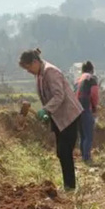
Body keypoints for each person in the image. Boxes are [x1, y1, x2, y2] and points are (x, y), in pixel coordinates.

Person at [19, 48, 83, 191]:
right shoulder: (40, 74)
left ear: (35, 62)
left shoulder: (50, 72)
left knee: (64, 151)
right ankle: (68, 185)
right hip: (57, 117)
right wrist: (47, 113)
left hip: (68, 116)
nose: (28, 71)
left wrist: (46, 109)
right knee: (61, 152)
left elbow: (59, 95)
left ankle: (70, 187)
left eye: (28, 67)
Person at [74, 61, 99, 165]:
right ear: (92, 69)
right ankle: (87, 158)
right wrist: (94, 106)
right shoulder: (91, 79)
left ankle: (82, 156)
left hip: (76, 109)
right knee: (88, 135)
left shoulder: (77, 80)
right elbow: (94, 94)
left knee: (82, 135)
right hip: (85, 108)